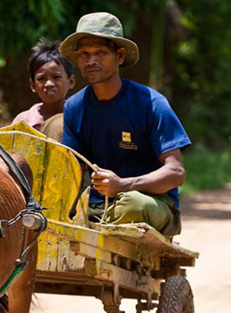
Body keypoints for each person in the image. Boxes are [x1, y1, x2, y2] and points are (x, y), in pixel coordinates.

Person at [60, 12, 190, 237]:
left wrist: (122, 185)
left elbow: (176, 173)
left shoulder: (151, 103)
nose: (91, 61)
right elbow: (71, 169)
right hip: (97, 206)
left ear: (119, 56)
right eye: (84, 54)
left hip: (151, 202)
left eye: (100, 52)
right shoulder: (74, 106)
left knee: (131, 204)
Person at [11, 39, 76, 141]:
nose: (49, 84)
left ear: (70, 81)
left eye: (56, 77)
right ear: (33, 85)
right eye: (41, 79)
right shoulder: (24, 122)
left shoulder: (77, 117)